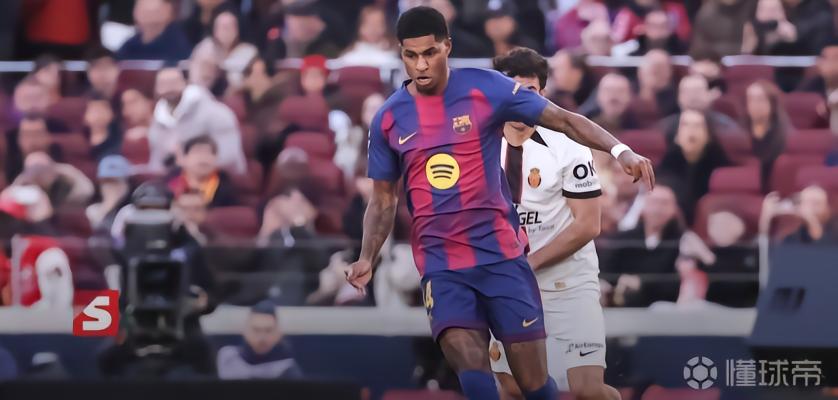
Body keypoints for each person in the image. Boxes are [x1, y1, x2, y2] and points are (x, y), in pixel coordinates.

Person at [346, 7, 653, 400]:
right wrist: (367, 256)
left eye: (430, 53)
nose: (420, 65)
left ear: (447, 47)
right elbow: (383, 199)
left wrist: (620, 150)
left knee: (532, 386)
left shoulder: (486, 88)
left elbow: (563, 120)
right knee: (475, 374)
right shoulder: (389, 118)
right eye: (411, 55)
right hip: (442, 264)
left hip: (502, 258)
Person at [490, 47, 621, 400]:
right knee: (512, 388)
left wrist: (528, 264)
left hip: (568, 283)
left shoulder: (568, 145)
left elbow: (588, 226)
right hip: (510, 285)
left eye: (530, 93)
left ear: (542, 94)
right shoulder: (480, 144)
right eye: (512, 93)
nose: (520, 103)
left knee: (588, 390)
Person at [599, 184, 685, 307]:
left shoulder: (681, 243)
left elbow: (674, 284)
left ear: (674, 209)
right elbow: (607, 270)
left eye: (664, 203)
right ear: (643, 206)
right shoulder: (624, 239)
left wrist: (641, 283)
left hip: (662, 307)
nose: (658, 209)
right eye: (654, 202)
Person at [148, 67, 246, 174]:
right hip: (177, 177)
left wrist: (190, 163)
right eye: (163, 84)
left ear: (185, 83)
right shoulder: (158, 119)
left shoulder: (216, 113)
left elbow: (228, 155)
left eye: (173, 82)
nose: (169, 88)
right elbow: (157, 163)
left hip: (220, 176)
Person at [658, 110, 731, 224]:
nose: (691, 130)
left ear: (708, 135)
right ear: (676, 135)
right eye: (685, 125)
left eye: (698, 126)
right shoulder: (665, 168)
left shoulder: (722, 168)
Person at [217, 300, 304, 380]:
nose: (262, 337)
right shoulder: (228, 358)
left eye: (268, 330)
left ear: (279, 334)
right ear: (245, 331)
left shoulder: (288, 369)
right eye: (256, 330)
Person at [192, 9, 259, 90]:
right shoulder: (205, 48)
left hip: (239, 93)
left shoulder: (249, 51)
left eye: (229, 27)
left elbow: (254, 80)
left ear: (237, 30)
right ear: (214, 31)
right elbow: (195, 79)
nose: (226, 32)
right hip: (207, 92)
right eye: (222, 27)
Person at [660, 74, 743, 138]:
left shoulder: (726, 127)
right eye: (688, 92)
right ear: (679, 98)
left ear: (708, 96)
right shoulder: (664, 128)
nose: (693, 97)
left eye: (698, 92)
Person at [167, 135, 237, 208]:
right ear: (184, 158)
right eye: (197, 152)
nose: (204, 157)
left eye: (209, 152)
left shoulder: (225, 186)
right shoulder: (170, 182)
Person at [743, 81, 790, 190]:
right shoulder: (739, 133)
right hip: (746, 186)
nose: (755, 104)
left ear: (772, 103)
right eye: (751, 100)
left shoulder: (785, 135)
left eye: (760, 99)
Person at [116, 0, 192, 61]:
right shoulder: (130, 46)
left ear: (168, 9)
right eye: (141, 4)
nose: (146, 9)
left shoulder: (177, 43)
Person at [761, 186, 838, 244]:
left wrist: (811, 219)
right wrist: (766, 217)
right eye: (804, 202)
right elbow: (768, 251)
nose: (808, 207)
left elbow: (824, 247)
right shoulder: (795, 234)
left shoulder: (833, 229)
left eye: (815, 203)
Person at [5, 114, 64, 183]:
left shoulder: (67, 175)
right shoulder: (10, 175)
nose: (33, 141)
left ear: (48, 138)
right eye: (27, 135)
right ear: (19, 140)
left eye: (38, 134)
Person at [690, 0, 755, 57]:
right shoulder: (706, 14)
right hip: (713, 62)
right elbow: (698, 51)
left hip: (748, 61)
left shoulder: (753, 9)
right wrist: (742, 50)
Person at [86, 155, 133, 234]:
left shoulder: (132, 210)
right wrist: (107, 206)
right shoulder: (93, 210)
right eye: (106, 182)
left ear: (127, 183)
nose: (110, 187)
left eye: (115, 182)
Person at [635, 49, 678, 123]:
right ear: (640, 71)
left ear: (670, 72)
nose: (655, 70)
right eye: (650, 66)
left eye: (660, 67)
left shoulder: (676, 100)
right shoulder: (630, 92)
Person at [84, 94, 123, 162]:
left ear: (113, 114)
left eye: (104, 109)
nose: (99, 115)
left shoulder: (120, 142)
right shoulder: (79, 143)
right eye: (94, 110)